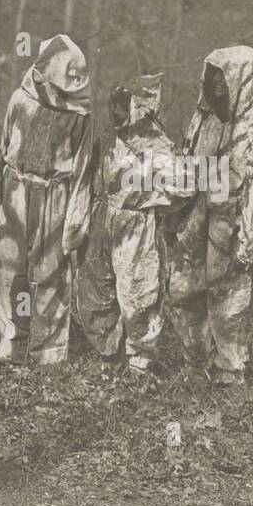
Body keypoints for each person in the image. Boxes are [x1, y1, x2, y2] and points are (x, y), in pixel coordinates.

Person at [166, 46, 253, 386]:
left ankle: (229, 372)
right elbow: (188, 160)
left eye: (223, 80)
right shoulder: (205, 116)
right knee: (184, 289)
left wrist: (249, 238)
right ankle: (196, 363)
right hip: (197, 213)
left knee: (229, 300)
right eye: (213, 79)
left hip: (234, 220)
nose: (217, 87)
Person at [75, 73, 194, 373]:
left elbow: (186, 185)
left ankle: (139, 363)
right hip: (101, 218)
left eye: (122, 105)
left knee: (138, 293)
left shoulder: (156, 142)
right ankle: (109, 357)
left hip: (136, 226)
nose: (115, 111)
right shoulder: (106, 135)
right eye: (112, 104)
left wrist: (148, 199)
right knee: (96, 290)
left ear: (137, 106)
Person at [0, 34, 92, 364]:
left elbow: (82, 169)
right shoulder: (20, 101)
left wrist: (76, 220)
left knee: (51, 269)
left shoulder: (79, 115)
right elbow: (5, 146)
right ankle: (13, 339)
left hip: (57, 194)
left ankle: (47, 350)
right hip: (17, 191)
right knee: (12, 265)